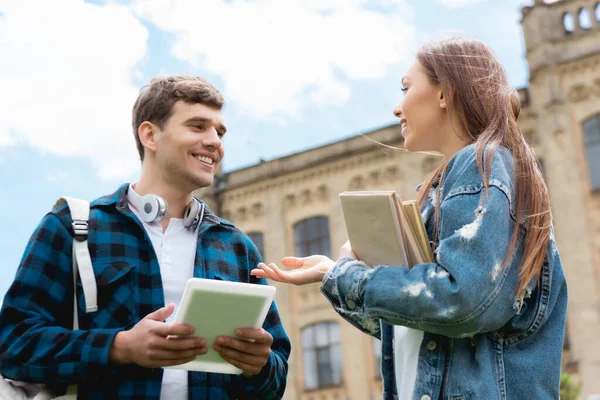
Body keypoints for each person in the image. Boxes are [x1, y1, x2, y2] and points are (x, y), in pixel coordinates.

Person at [251, 37, 567, 400]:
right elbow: (419, 329)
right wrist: (332, 275)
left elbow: (463, 301)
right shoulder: (461, 176)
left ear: (445, 92)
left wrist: (349, 276)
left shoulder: (481, 163)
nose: (397, 109)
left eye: (406, 88)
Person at [0, 76, 291, 399]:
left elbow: (275, 380)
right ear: (150, 135)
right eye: (198, 126)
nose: (214, 141)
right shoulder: (71, 228)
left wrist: (261, 366)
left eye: (219, 132)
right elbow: (13, 346)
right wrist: (120, 347)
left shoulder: (237, 248)